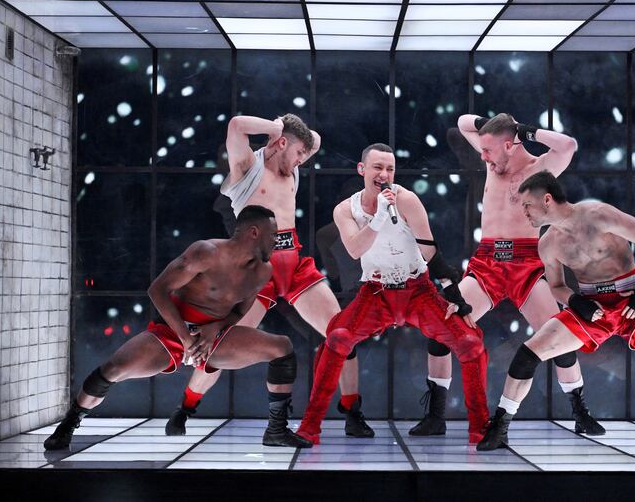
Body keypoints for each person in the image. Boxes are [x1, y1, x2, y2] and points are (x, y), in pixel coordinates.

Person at [476, 172, 635, 454]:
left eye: (527, 204)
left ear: (547, 199)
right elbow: (556, 286)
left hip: (632, 303)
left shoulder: (598, 214)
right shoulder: (547, 243)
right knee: (527, 356)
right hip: (592, 310)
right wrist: (576, 302)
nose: (524, 211)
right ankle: (500, 427)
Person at [165, 114, 372, 439]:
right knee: (219, 346)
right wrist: (277, 128)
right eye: (299, 153)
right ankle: (186, 408)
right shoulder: (247, 167)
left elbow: (313, 139)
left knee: (342, 331)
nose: (304, 159)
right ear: (281, 143)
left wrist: (292, 136)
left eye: (304, 155)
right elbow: (235, 126)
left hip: (293, 263)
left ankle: (352, 411)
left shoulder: (291, 166)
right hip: (252, 270)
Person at [44, 206, 311, 450]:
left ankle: (277, 430)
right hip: (172, 332)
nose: (277, 240)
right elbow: (158, 290)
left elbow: (240, 312)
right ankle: (70, 422)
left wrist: (215, 327)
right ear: (254, 232)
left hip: (213, 337)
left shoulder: (263, 272)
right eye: (273, 234)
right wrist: (185, 338)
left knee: (282, 347)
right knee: (113, 370)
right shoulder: (206, 252)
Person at [411, 113, 605, 437]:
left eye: (488, 150)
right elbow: (462, 122)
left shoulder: (537, 171)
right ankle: (436, 414)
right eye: (482, 150)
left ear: (510, 144)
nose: (482, 157)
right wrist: (497, 124)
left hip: (525, 263)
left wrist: (527, 131)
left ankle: (579, 409)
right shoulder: (492, 161)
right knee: (441, 326)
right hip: (487, 261)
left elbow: (569, 146)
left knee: (557, 335)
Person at [296, 143, 489, 445]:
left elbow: (429, 251)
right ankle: (309, 429)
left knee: (470, 343)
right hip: (375, 292)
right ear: (362, 170)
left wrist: (455, 295)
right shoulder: (346, 209)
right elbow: (356, 249)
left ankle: (480, 430)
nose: (384, 175)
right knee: (337, 339)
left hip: (418, 290)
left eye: (389, 169)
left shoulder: (407, 199)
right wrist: (380, 217)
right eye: (377, 167)